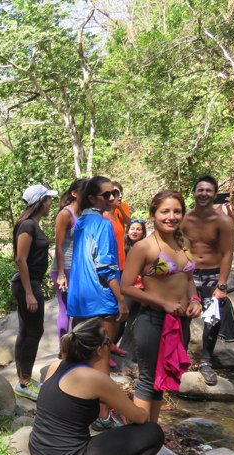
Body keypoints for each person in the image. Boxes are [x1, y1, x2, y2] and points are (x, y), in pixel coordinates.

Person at [28, 318, 164, 455]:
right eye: (108, 341)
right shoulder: (96, 379)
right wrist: (131, 410)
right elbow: (141, 418)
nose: (109, 344)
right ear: (99, 350)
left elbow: (71, 402)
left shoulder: (55, 366)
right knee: (153, 433)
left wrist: (115, 405)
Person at [122, 190, 202, 422]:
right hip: (152, 320)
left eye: (177, 211)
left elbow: (188, 279)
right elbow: (126, 287)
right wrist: (163, 303)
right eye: (165, 211)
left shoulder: (184, 243)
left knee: (163, 380)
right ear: (153, 214)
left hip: (181, 321)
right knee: (148, 379)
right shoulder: (144, 247)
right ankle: (139, 436)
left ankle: (152, 433)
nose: (171, 217)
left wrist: (194, 300)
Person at [67, 176, 129, 430]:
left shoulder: (80, 221)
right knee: (102, 360)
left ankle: (80, 410)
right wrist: (121, 299)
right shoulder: (103, 224)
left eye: (114, 193)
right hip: (101, 298)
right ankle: (102, 416)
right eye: (106, 195)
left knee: (82, 357)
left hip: (80, 297)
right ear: (92, 198)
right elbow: (105, 265)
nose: (112, 198)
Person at [180, 175, 234, 385]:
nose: (204, 194)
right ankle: (181, 359)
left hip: (213, 274)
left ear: (214, 194)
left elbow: (227, 253)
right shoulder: (185, 219)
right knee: (183, 316)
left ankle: (205, 361)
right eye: (200, 190)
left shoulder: (223, 221)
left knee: (212, 320)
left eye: (208, 190)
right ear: (194, 193)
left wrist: (221, 285)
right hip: (189, 274)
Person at [11, 184, 57, 400]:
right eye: (49, 199)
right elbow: (20, 259)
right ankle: (24, 382)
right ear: (41, 201)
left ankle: (23, 379)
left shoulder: (31, 224)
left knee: (25, 331)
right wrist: (30, 293)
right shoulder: (28, 225)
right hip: (27, 284)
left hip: (28, 283)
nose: (51, 203)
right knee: (34, 332)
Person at [49, 178, 86, 344]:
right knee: (66, 309)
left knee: (79, 310)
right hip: (64, 268)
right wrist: (61, 274)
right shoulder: (65, 214)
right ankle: (63, 349)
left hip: (79, 268)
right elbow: (58, 245)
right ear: (74, 194)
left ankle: (76, 347)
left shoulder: (83, 213)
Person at [103, 182, 131, 356]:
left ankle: (111, 344)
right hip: (109, 267)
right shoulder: (102, 219)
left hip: (121, 264)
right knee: (110, 307)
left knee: (115, 309)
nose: (118, 196)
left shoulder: (117, 214)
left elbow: (130, 225)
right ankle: (104, 349)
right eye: (114, 193)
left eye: (120, 193)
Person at [113, 218, 147, 346]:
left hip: (144, 288)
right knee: (121, 317)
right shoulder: (122, 249)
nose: (135, 231)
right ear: (127, 232)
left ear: (143, 233)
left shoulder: (147, 248)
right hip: (128, 288)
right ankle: (111, 346)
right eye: (132, 229)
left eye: (138, 229)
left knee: (138, 320)